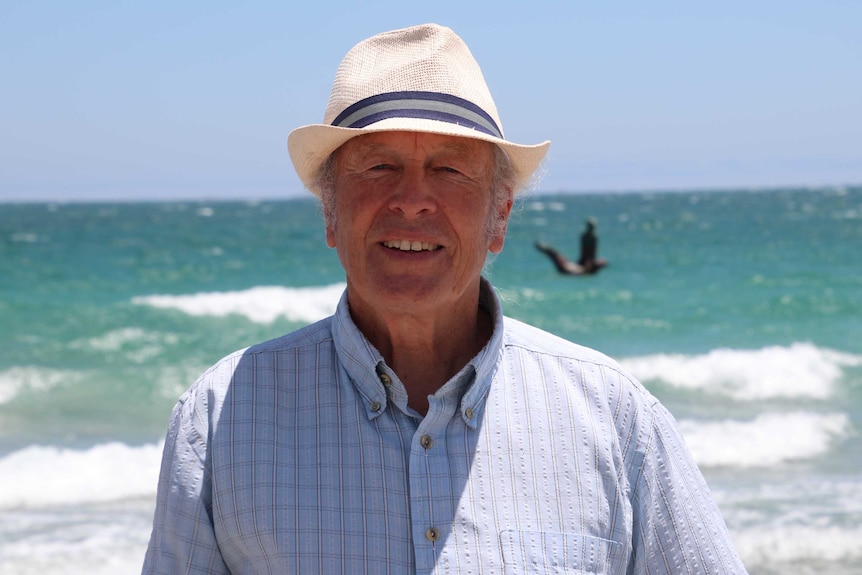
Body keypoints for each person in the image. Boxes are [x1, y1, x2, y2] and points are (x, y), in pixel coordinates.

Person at [143, 23, 748, 574]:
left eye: (450, 171)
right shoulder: (220, 418)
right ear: (331, 214)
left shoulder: (616, 420)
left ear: (499, 218)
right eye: (378, 166)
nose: (412, 200)